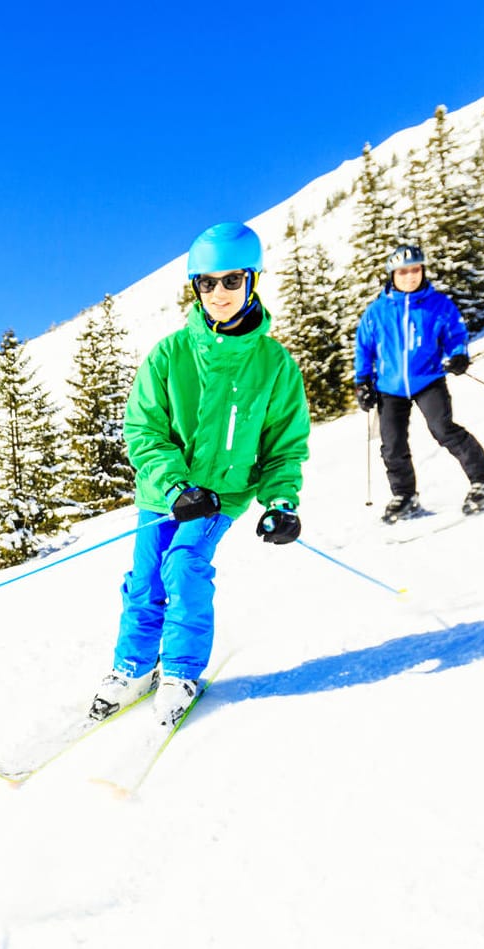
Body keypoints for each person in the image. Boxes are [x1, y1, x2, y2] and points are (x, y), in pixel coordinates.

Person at [89, 222, 310, 729]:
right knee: (145, 577)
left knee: (184, 564)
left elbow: (284, 446)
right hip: (164, 493)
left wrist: (281, 502)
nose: (219, 294)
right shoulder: (169, 355)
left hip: (223, 494)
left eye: (231, 280)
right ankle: (135, 668)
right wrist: (173, 485)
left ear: (252, 280)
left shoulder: (274, 365)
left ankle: (182, 672)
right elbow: (143, 429)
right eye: (206, 283)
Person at [353, 245, 484, 522]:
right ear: (392, 275)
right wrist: (362, 381)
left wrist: (458, 355)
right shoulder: (377, 311)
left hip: (428, 379)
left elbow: (455, 334)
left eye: (415, 270)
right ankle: (404, 496)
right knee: (392, 445)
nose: (410, 276)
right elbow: (364, 347)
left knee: (444, 430)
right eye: (403, 272)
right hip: (389, 387)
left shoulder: (438, 304)